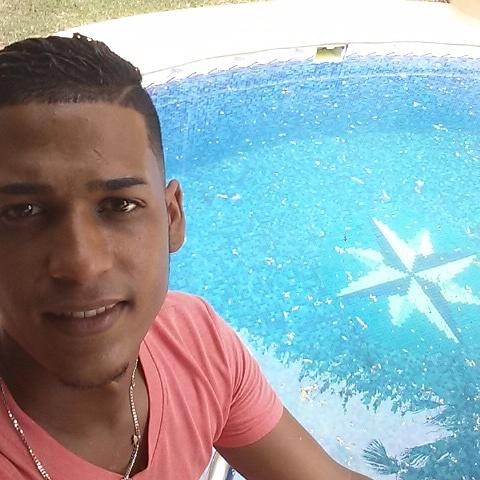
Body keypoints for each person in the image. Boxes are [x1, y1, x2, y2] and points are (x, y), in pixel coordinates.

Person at [0, 33, 372, 480]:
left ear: (172, 218)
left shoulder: (193, 341)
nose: (82, 264)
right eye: (22, 211)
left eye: (120, 204)